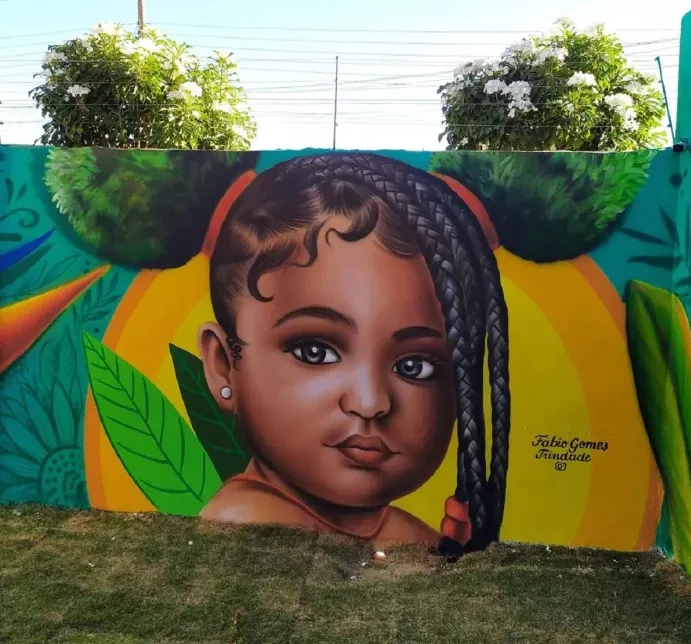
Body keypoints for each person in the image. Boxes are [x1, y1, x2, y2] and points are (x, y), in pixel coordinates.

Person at [197, 153, 511, 556]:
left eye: (415, 365)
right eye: (316, 352)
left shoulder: (410, 538)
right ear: (224, 366)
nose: (370, 402)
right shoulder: (249, 525)